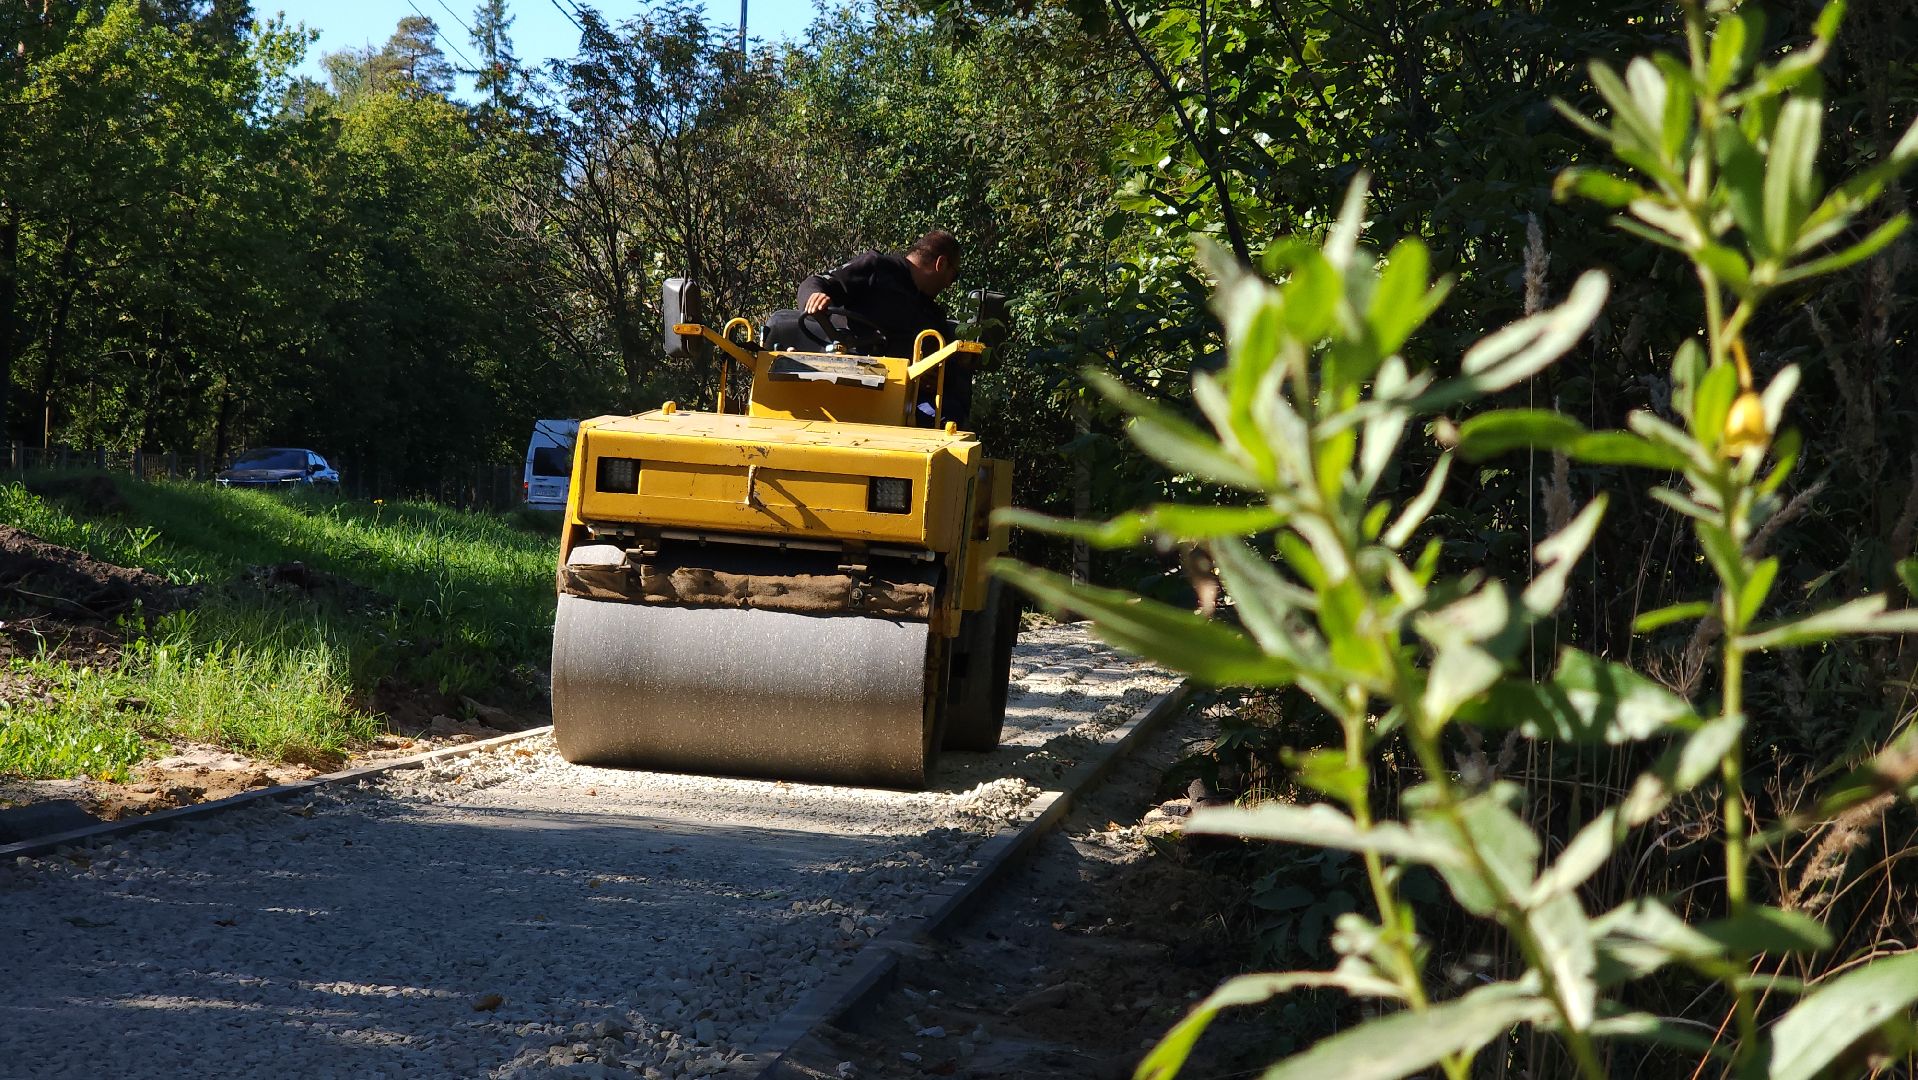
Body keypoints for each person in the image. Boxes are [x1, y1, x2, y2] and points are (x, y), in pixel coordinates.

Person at [796, 230, 974, 425]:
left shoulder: (934, 317)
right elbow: (817, 282)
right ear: (941, 264)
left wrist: (933, 378)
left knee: (948, 416)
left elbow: (941, 371)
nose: (949, 285)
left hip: (900, 397)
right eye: (953, 277)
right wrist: (813, 296)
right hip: (847, 380)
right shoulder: (877, 268)